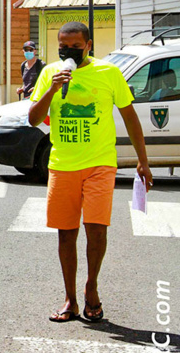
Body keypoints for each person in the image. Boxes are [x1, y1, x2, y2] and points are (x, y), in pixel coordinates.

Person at [28, 21, 152, 323]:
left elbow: (130, 117)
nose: (68, 51)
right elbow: (33, 119)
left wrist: (143, 160)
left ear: (89, 45)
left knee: (97, 229)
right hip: (62, 165)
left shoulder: (108, 73)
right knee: (66, 233)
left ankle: (91, 287)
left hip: (100, 163)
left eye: (75, 46)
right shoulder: (48, 74)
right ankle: (69, 298)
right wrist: (54, 87)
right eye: (63, 46)